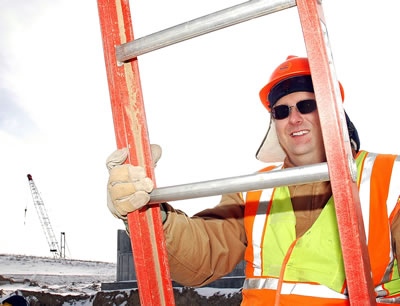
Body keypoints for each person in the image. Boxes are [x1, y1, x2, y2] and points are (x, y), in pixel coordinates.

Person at [106, 56, 400, 305]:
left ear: (332, 112)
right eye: (282, 111)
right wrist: (149, 212)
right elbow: (205, 252)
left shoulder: (388, 176)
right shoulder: (254, 190)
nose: (294, 118)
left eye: (306, 105)